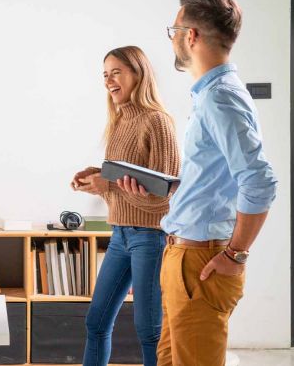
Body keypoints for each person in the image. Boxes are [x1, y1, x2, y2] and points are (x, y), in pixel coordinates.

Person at [157, 0, 277, 365]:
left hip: (201, 261)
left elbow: (259, 181)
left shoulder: (219, 97)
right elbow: (216, 179)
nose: (173, 38)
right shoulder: (210, 95)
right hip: (183, 255)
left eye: (174, 29)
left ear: (190, 35)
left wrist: (236, 254)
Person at [72, 46, 180, 366]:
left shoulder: (157, 121)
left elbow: (163, 196)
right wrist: (96, 179)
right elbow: (124, 185)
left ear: (138, 73)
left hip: (151, 237)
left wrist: (108, 184)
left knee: (148, 330)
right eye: (105, 74)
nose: (109, 80)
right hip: (120, 235)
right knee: (96, 322)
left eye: (116, 72)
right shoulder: (119, 122)